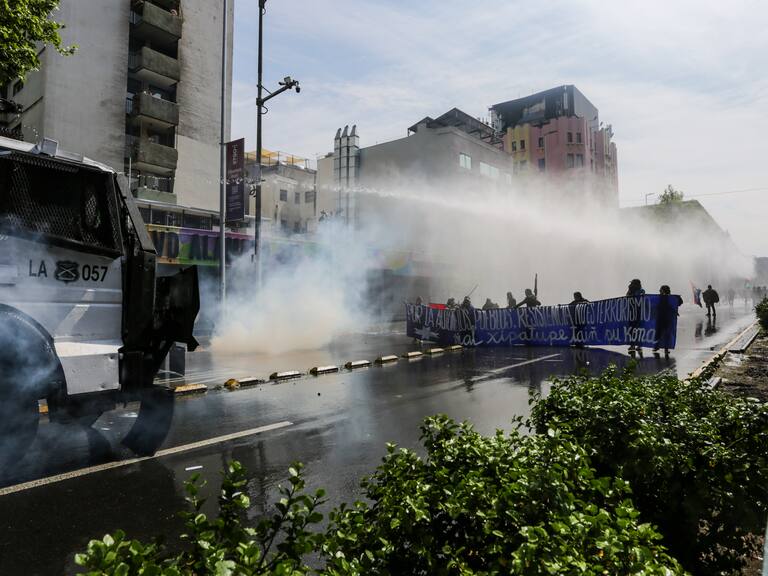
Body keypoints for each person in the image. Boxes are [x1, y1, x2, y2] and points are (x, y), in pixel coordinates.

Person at [654, 285, 683, 356]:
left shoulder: (670, 298)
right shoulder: (660, 298)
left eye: (660, 290)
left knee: (665, 333)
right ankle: (658, 347)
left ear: (663, 290)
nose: (659, 291)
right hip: (662, 318)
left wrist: (677, 298)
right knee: (659, 333)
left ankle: (664, 348)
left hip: (665, 318)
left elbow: (679, 302)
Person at [626, 279, 645, 353]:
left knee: (633, 329)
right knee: (636, 329)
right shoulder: (632, 290)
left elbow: (643, 297)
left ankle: (633, 345)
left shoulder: (640, 291)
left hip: (635, 313)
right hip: (635, 313)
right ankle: (636, 345)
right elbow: (627, 297)